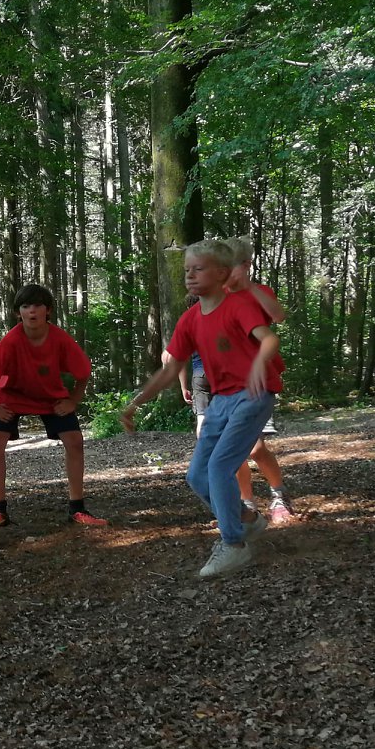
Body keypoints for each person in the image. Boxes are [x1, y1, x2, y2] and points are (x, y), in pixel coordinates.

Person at [121, 240, 280, 578]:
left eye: (199, 268)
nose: (190, 276)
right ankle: (247, 519)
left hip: (254, 393)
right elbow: (169, 369)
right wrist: (136, 402)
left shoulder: (239, 305)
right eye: (187, 270)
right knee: (196, 476)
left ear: (222, 273)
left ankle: (234, 545)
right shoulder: (190, 319)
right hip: (221, 400)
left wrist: (256, 367)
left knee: (220, 466)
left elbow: (269, 339)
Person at [0, 284, 107, 530]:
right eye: (26, 306)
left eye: (38, 306)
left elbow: (83, 372)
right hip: (12, 395)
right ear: (18, 313)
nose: (32, 311)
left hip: (50, 397)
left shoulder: (59, 338)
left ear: (48, 311)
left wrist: (73, 401)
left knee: (75, 440)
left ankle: (77, 508)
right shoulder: (11, 340)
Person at [219, 237, 294, 527]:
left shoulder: (259, 292)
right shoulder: (217, 295)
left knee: (255, 448)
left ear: (246, 265)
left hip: (258, 380)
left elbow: (279, 315)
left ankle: (278, 494)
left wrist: (248, 286)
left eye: (231, 266)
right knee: (234, 449)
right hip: (226, 382)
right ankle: (246, 500)